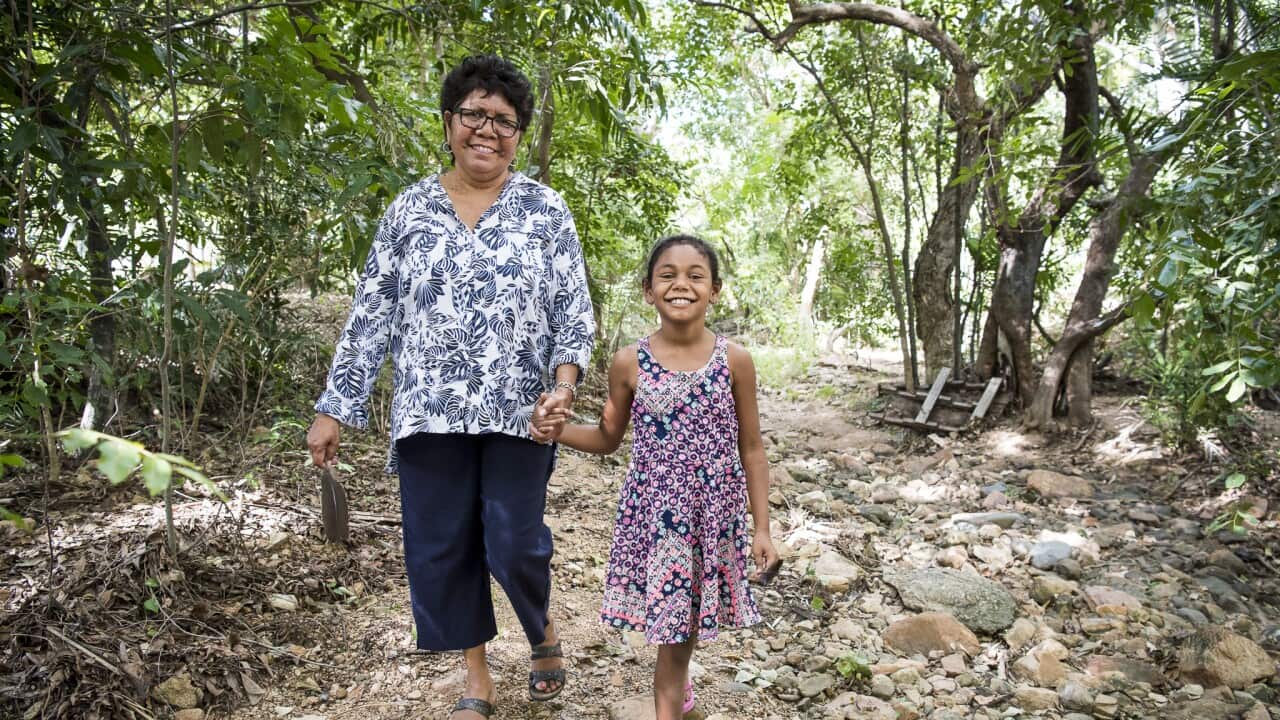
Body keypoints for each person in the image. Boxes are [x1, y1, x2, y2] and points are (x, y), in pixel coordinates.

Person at [305, 54, 595, 720]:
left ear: (519, 133)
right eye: (473, 114)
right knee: (442, 547)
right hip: (428, 413)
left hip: (520, 412)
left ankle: (541, 628)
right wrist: (334, 409)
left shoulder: (545, 210)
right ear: (448, 122)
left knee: (513, 540)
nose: (487, 129)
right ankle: (477, 676)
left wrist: (564, 385)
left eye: (504, 119)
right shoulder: (408, 210)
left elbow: (573, 309)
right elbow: (371, 315)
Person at [533, 235, 780, 719]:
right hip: (655, 514)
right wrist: (554, 431)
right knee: (671, 630)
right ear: (649, 290)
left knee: (680, 627)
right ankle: (673, 699)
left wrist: (763, 528)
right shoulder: (629, 361)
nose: (681, 284)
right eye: (667, 275)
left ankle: (675, 695)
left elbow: (751, 448)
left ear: (716, 290)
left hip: (712, 515)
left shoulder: (735, 360)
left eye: (695, 275)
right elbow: (607, 437)